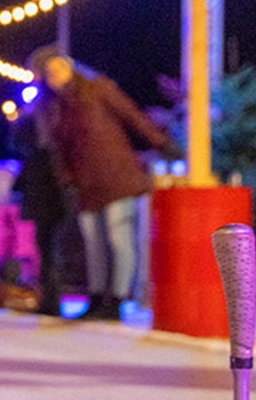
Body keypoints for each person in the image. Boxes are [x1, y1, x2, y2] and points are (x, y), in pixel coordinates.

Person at [38, 50, 173, 320]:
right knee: (94, 242)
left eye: (58, 69)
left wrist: (161, 142)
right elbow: (60, 150)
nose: (55, 77)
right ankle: (98, 297)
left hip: (116, 176)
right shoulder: (55, 107)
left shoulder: (97, 89)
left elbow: (131, 114)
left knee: (117, 236)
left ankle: (118, 298)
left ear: (70, 68)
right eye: (49, 74)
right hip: (87, 185)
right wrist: (68, 180)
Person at [18, 46, 82, 317]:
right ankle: (50, 297)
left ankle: (54, 297)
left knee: (55, 241)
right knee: (46, 241)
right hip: (43, 181)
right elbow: (22, 141)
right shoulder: (39, 105)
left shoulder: (56, 103)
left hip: (56, 180)